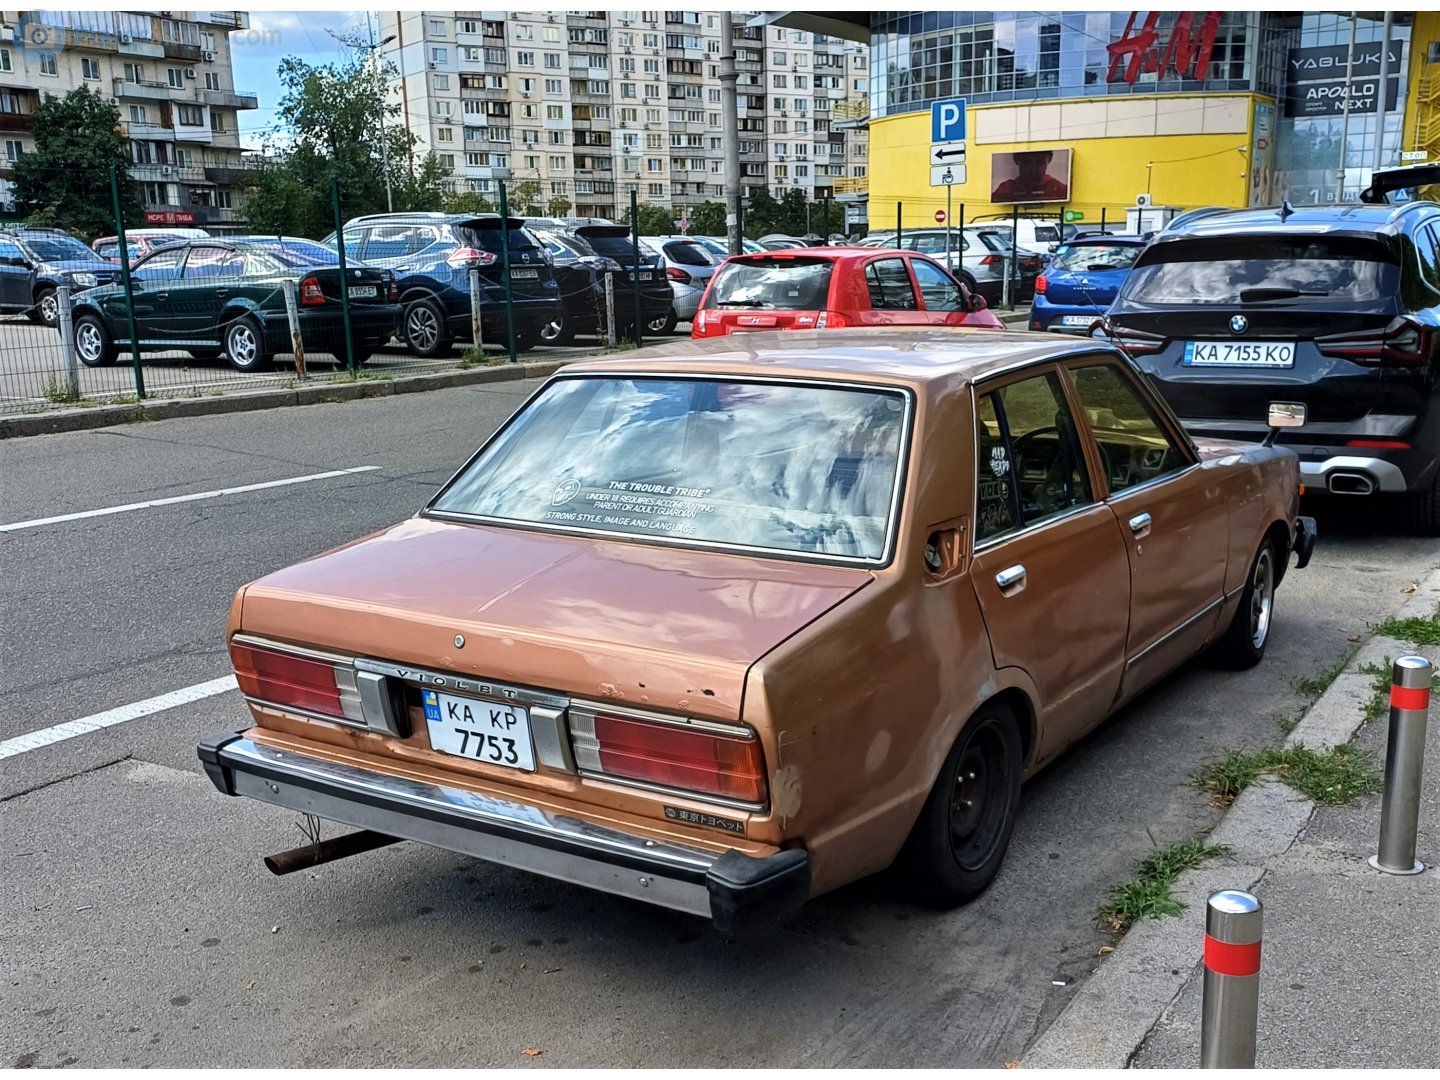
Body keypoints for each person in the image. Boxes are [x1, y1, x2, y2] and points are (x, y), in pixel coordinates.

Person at [993, 150, 1069, 202]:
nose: (1033, 169)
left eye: (1039, 163)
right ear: (1016, 159)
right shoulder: (1005, 190)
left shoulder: (1060, 190)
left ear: (1050, 159)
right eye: (1027, 162)